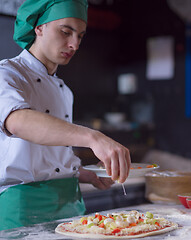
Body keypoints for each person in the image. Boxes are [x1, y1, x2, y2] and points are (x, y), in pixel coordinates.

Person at [0, 0, 131, 231]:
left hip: (70, 203)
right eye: (65, 31)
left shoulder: (63, 90)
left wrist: (85, 174)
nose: (74, 44)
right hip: (23, 207)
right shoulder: (8, 74)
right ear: (38, 28)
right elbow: (19, 121)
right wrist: (94, 138)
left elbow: (46, 157)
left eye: (80, 36)